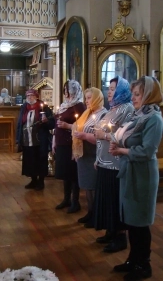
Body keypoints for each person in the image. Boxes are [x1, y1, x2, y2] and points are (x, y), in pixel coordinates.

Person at [109, 76, 163, 281]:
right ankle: (133, 259)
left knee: (140, 223)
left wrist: (122, 150)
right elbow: (125, 136)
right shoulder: (138, 115)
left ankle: (144, 265)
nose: (133, 98)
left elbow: (146, 151)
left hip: (142, 175)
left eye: (137, 94)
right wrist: (115, 142)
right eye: (132, 94)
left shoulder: (154, 119)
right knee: (132, 221)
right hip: (130, 171)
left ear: (149, 95)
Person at [93, 76, 134, 253]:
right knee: (107, 199)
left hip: (115, 162)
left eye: (113, 89)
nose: (109, 92)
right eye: (108, 89)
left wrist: (105, 135)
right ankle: (110, 231)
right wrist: (97, 158)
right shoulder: (113, 109)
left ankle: (120, 237)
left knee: (115, 200)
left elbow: (124, 136)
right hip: (104, 160)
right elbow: (99, 131)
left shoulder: (128, 109)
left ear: (122, 91)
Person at [72, 87, 107, 227]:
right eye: (85, 98)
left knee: (93, 186)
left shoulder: (103, 114)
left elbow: (101, 138)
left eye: (89, 98)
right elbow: (77, 127)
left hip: (94, 154)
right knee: (87, 186)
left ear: (97, 98)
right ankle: (90, 212)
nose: (86, 101)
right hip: (83, 154)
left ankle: (96, 215)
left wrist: (84, 136)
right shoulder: (88, 113)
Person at [53, 80, 85, 213]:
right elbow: (57, 122)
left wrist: (68, 126)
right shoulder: (64, 105)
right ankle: (66, 199)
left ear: (75, 91)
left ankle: (75, 201)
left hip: (72, 144)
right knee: (65, 173)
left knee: (72, 174)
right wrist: (54, 139)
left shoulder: (79, 106)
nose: (66, 93)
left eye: (68, 90)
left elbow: (82, 126)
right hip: (61, 143)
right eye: (64, 90)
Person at [16, 89, 55, 191]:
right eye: (28, 95)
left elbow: (52, 124)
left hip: (40, 139)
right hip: (27, 139)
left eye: (32, 95)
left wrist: (46, 121)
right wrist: (18, 138)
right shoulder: (24, 107)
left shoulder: (44, 107)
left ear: (36, 96)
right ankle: (33, 180)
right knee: (30, 160)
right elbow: (20, 123)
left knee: (40, 159)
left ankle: (41, 181)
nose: (29, 97)